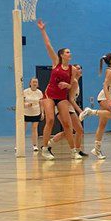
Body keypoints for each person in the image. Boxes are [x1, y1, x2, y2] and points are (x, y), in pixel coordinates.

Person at [80, 26, 111, 160]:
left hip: (108, 97)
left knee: (102, 125)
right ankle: (91, 111)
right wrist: (109, 100)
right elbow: (105, 85)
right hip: (104, 97)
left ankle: (96, 150)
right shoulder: (109, 71)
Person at [36, 20, 82, 160]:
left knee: (67, 124)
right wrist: (43, 30)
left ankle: (74, 150)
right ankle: (44, 149)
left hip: (62, 97)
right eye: (68, 52)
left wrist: (67, 85)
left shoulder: (72, 69)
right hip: (50, 95)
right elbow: (48, 45)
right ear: (62, 55)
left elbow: (72, 85)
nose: (70, 53)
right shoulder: (56, 62)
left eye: (70, 52)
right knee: (50, 120)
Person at [48, 65, 86, 156]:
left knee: (77, 130)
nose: (79, 70)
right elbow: (71, 99)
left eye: (80, 68)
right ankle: (74, 151)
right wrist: (80, 111)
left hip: (69, 106)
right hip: (63, 106)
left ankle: (77, 150)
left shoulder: (76, 82)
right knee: (71, 130)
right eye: (77, 68)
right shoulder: (73, 81)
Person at [22, 78, 43, 152]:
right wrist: (26, 105)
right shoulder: (25, 91)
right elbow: (21, 102)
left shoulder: (39, 92)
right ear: (30, 83)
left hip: (36, 113)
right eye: (33, 82)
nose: (35, 83)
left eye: (36, 82)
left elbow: (41, 103)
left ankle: (35, 145)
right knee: (23, 129)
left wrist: (42, 113)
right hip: (26, 113)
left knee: (34, 129)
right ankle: (19, 145)